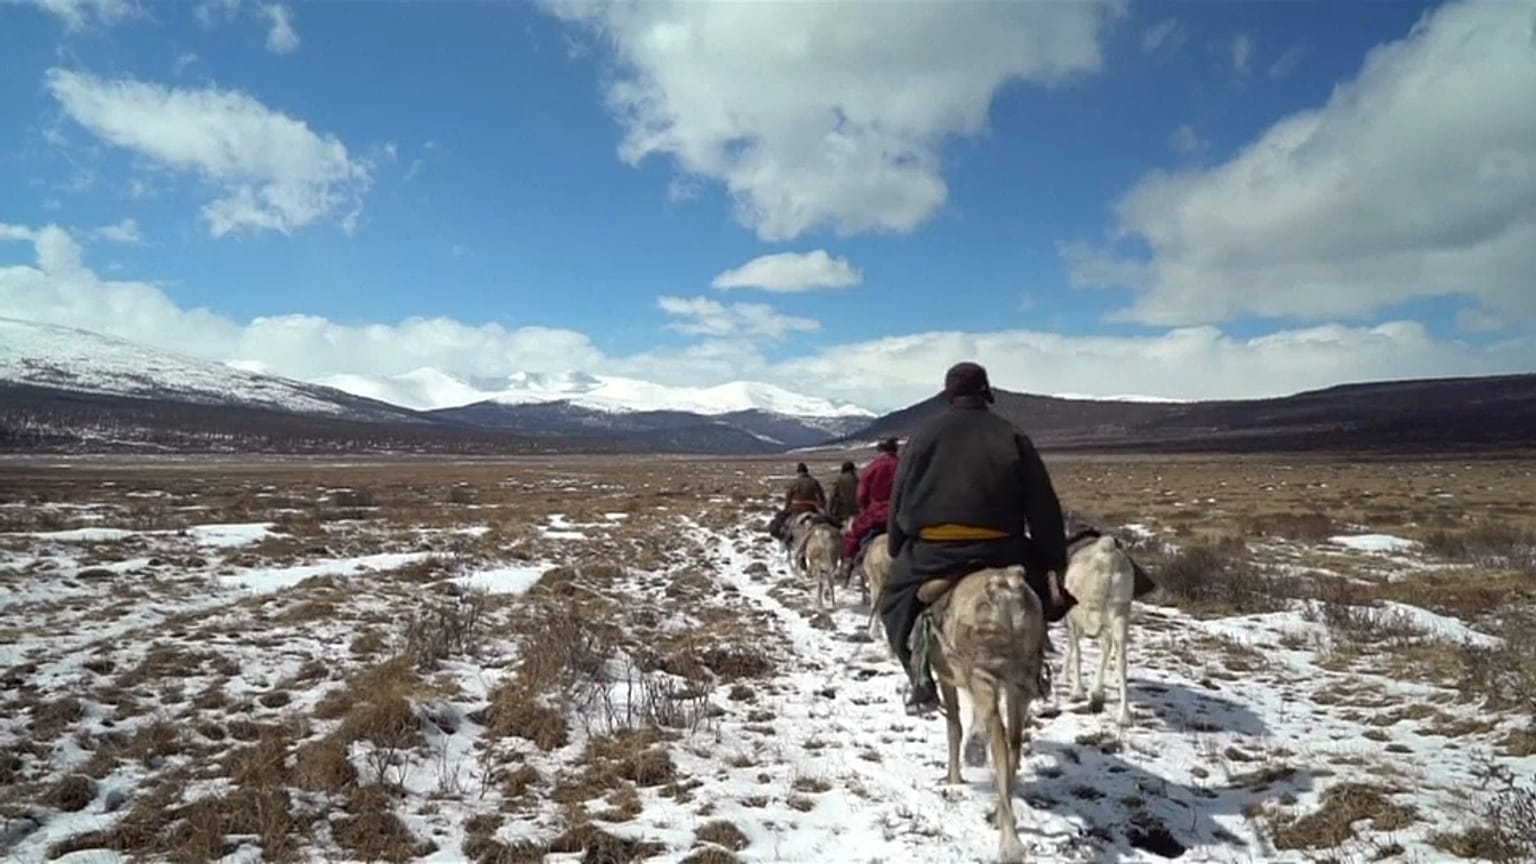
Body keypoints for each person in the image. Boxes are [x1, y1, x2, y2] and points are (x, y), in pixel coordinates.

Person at [877, 361, 1073, 715]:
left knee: (893, 603)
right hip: (1003, 548)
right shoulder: (1012, 434)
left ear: (949, 394)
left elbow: (900, 497)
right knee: (1046, 602)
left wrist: (897, 545)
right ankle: (1033, 667)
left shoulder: (923, 436)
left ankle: (920, 678)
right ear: (985, 392)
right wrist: (1052, 560)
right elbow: (1043, 503)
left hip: (934, 552)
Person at [840, 437, 900, 577]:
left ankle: (848, 565)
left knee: (853, 536)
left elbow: (862, 494)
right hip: (900, 514)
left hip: (877, 513)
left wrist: (867, 508)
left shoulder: (872, 468)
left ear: (881, 451)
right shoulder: (903, 465)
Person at [767, 462, 828, 543]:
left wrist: (786, 509)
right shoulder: (814, 482)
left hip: (796, 510)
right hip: (811, 509)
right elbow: (821, 497)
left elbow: (788, 497)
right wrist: (823, 507)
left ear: (798, 472)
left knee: (779, 523)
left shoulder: (794, 483)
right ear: (806, 471)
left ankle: (785, 540)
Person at [827, 461, 860, 526]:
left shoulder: (839, 479)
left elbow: (832, 496)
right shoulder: (857, 479)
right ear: (852, 470)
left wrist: (829, 511)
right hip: (857, 511)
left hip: (843, 513)